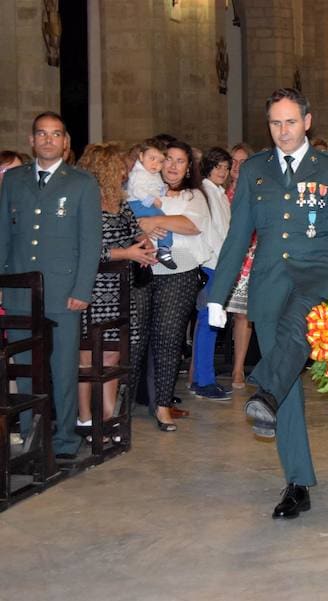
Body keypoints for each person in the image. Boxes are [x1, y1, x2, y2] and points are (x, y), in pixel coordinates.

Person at [207, 88, 328, 520]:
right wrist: (217, 295)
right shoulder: (255, 171)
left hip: (317, 276)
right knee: (286, 382)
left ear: (307, 121)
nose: (282, 131)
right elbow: (237, 234)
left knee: (291, 342)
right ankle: (297, 481)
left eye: (289, 122)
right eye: (274, 123)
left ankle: (261, 386)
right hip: (268, 282)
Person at [0, 111, 102, 459]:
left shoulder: (82, 182)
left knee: (62, 369)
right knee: (25, 367)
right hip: (19, 289)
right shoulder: (13, 179)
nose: (47, 140)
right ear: (31, 141)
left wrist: (82, 290)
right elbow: (3, 234)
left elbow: (90, 242)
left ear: (66, 142)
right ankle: (31, 436)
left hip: (64, 291)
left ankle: (64, 440)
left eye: (55, 134)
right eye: (41, 134)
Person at [75, 143, 156, 431]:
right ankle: (85, 418)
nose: (126, 170)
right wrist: (127, 254)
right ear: (104, 168)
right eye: (120, 165)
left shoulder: (119, 201)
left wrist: (146, 246)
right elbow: (83, 251)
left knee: (112, 355)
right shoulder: (84, 200)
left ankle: (107, 418)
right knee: (88, 358)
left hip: (120, 289)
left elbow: (136, 233)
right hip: (92, 288)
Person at [136, 140, 210, 432]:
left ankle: (164, 405)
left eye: (180, 161)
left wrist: (148, 220)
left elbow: (190, 225)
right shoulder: (140, 187)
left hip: (179, 273)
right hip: (141, 268)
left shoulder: (194, 195)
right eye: (168, 158)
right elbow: (127, 219)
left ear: (188, 167)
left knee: (168, 340)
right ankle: (125, 403)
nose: (173, 166)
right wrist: (147, 222)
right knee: (136, 340)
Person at [192, 147, 233, 401]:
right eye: (218, 166)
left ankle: (203, 377)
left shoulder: (220, 194)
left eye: (226, 167)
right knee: (208, 323)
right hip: (212, 264)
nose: (222, 171)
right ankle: (203, 381)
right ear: (207, 167)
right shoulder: (205, 192)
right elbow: (211, 233)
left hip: (220, 264)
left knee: (211, 325)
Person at [224, 143, 255, 389]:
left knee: (242, 315)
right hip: (220, 257)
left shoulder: (255, 190)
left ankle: (237, 369)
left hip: (248, 257)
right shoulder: (215, 190)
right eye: (232, 161)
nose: (236, 166)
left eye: (242, 162)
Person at [126, 138, 178, 269]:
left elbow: (157, 187)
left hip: (143, 204)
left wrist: (165, 191)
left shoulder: (152, 172)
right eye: (152, 158)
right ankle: (164, 250)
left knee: (160, 224)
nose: (156, 164)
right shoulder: (138, 173)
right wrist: (152, 200)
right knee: (164, 220)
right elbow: (137, 190)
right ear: (142, 156)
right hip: (137, 204)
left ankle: (159, 248)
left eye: (160, 161)